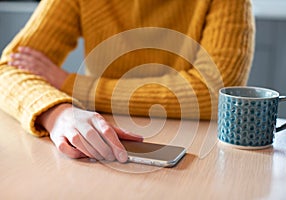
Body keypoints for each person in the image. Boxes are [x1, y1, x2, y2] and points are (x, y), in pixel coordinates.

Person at [0, 0, 255, 162]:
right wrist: (56, 113)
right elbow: (7, 71)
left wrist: (70, 83)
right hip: (98, 140)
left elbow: (214, 93)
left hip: (197, 149)